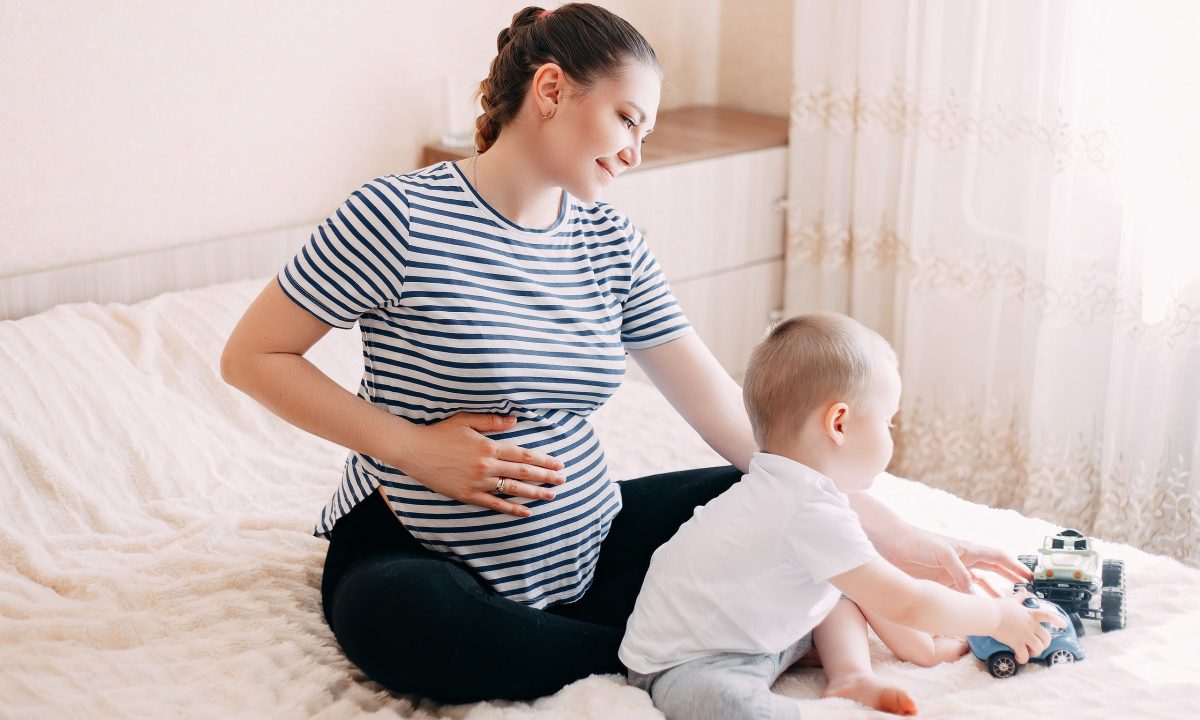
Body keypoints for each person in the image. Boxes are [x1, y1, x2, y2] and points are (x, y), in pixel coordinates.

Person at [220, 4, 1030, 705]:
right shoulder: (397, 217)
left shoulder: (611, 242)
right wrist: (413, 448)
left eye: (645, 130)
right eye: (627, 119)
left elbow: (738, 424)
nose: (636, 150)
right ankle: (671, 655)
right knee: (404, 622)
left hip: (588, 543)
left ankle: (684, 648)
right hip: (419, 546)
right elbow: (252, 356)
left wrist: (902, 540)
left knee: (776, 502)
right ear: (550, 90)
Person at [619, 313, 1065, 719]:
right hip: (687, 661)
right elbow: (905, 601)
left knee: (845, 581)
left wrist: (925, 645)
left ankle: (851, 674)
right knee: (732, 706)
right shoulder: (805, 510)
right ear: (839, 423)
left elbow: (880, 589)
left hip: (758, 631)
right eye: (888, 422)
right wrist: (996, 617)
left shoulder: (792, 488)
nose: (890, 434)